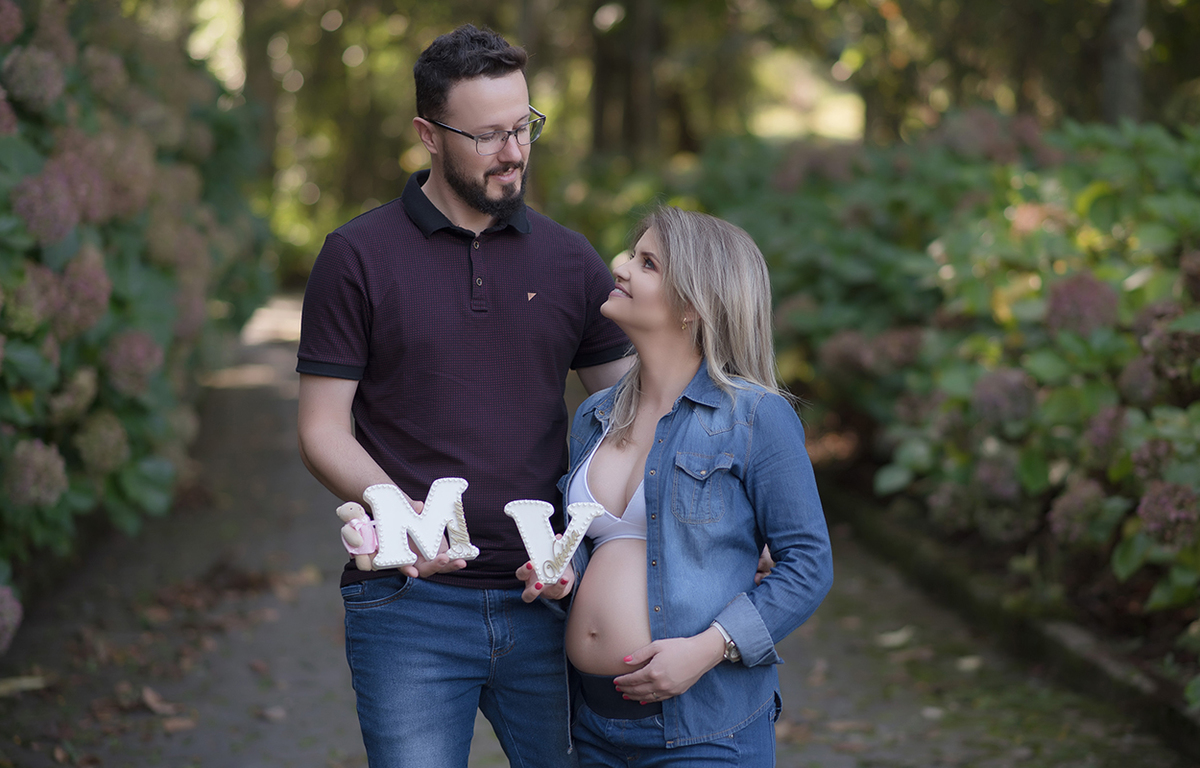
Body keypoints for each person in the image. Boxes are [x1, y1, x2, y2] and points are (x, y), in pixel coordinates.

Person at [295, 24, 633, 768]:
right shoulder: (356, 257)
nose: (513, 152)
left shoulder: (570, 260)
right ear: (427, 133)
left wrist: (730, 515)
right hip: (407, 609)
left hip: (551, 599)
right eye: (487, 136)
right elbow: (322, 430)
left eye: (523, 127)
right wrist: (401, 513)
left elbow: (639, 419)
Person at [516, 206, 834, 766]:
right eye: (630, 253)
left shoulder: (755, 416)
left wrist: (706, 651)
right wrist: (565, 577)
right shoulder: (595, 415)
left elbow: (808, 563)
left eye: (647, 263)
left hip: (703, 731)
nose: (620, 266)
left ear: (692, 305)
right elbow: (603, 547)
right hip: (589, 725)